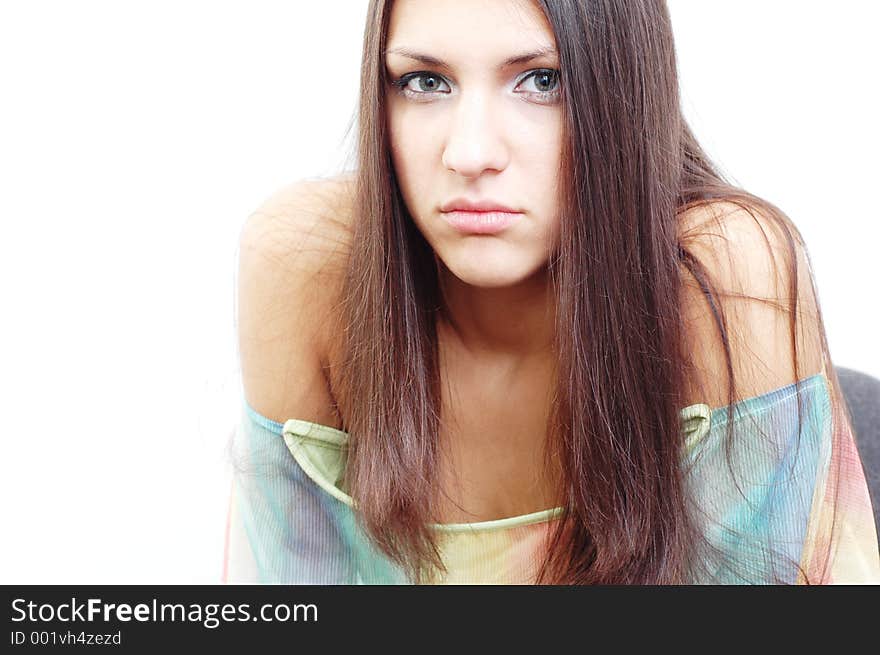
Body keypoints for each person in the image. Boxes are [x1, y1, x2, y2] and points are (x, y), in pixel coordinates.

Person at [222, 0, 880, 584]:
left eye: (542, 80)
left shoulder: (725, 269)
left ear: (621, 87)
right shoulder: (305, 264)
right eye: (425, 82)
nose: (470, 152)